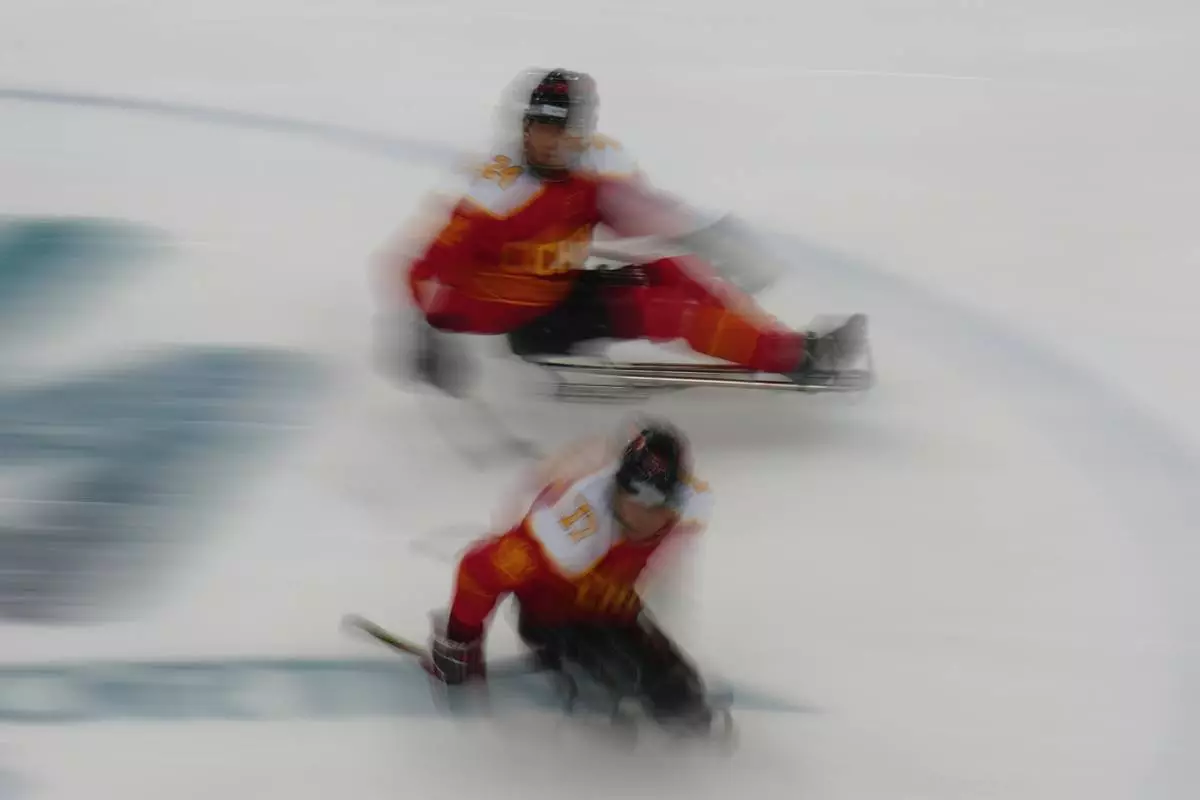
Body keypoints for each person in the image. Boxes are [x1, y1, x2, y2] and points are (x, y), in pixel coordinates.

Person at [396, 67, 866, 394]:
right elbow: (422, 268)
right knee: (668, 311)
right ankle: (797, 360)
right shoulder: (495, 193)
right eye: (541, 128)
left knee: (674, 270)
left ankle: (784, 344)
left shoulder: (593, 166)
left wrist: (701, 235)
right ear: (524, 128)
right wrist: (426, 333)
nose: (550, 142)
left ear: (582, 132)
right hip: (528, 320)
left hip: (560, 289)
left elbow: (637, 212)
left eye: (563, 131)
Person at [425, 421, 716, 732]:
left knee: (684, 699)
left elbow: (664, 569)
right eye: (633, 495)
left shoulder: (690, 506)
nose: (643, 513)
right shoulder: (570, 530)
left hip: (612, 607)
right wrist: (459, 642)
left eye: (657, 503)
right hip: (553, 615)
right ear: (617, 486)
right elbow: (478, 569)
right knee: (611, 701)